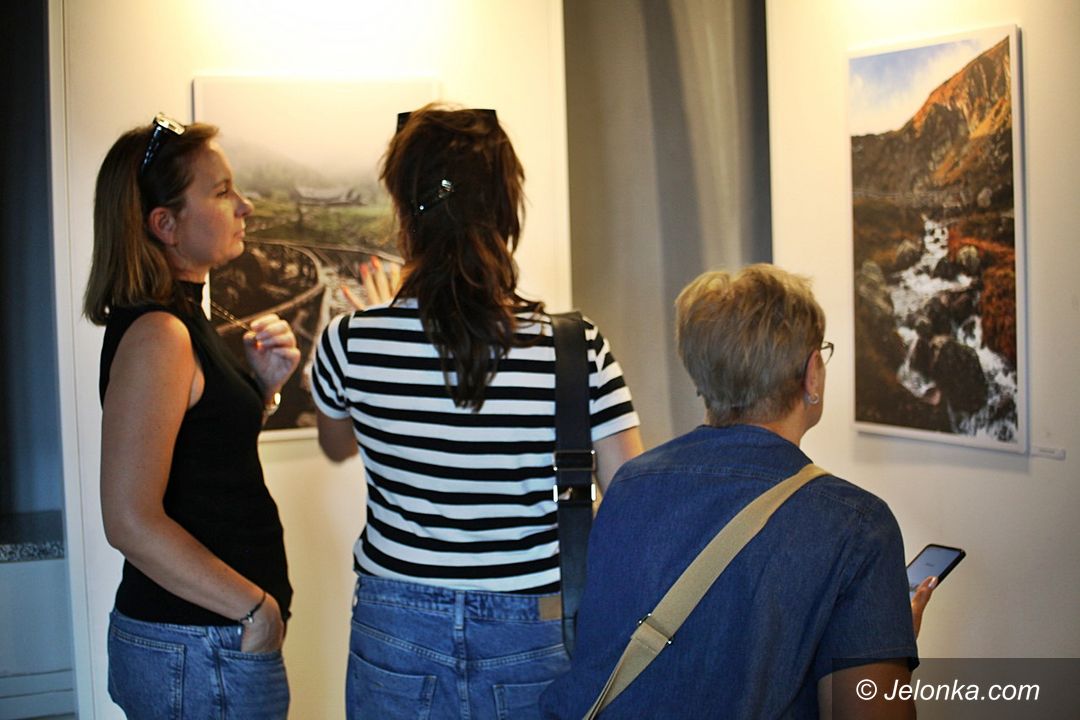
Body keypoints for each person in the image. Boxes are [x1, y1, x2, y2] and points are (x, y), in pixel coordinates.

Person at [310, 103, 644, 719]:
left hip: (396, 622)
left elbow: (337, 445)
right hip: (535, 624)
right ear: (505, 208)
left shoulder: (350, 342)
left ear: (405, 209)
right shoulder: (574, 346)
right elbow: (628, 498)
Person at [540, 264, 932, 719]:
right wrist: (884, 637)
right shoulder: (856, 525)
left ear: (700, 374)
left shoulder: (630, 485)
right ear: (812, 374)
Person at [84, 114, 300, 719]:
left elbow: (204, 466)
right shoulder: (160, 333)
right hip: (197, 647)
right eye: (223, 191)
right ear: (166, 225)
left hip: (203, 644)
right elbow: (129, 520)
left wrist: (263, 389)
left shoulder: (177, 320)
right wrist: (256, 610)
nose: (245, 206)